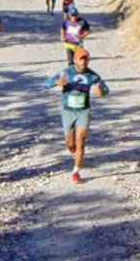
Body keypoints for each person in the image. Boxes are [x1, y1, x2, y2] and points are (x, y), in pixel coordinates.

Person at [42, 48, 109, 184]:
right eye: (81, 59)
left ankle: (76, 171)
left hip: (84, 111)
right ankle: (72, 147)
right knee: (70, 143)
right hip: (68, 111)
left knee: (81, 141)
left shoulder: (93, 76)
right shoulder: (66, 72)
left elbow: (105, 90)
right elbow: (45, 84)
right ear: (75, 60)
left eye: (86, 59)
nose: (84, 62)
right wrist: (56, 83)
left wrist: (101, 92)